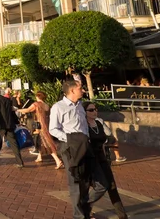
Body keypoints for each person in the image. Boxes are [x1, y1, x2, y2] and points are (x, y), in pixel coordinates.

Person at [49, 80, 107, 219]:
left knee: (99, 183)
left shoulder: (80, 105)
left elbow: (84, 126)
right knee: (76, 182)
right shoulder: (58, 107)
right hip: (70, 147)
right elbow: (53, 129)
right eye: (80, 88)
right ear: (72, 91)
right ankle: (80, 215)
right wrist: (70, 140)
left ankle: (84, 206)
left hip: (85, 146)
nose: (83, 90)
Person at [83, 102, 128, 219]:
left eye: (95, 109)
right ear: (84, 112)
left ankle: (122, 216)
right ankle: (84, 206)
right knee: (99, 186)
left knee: (112, 187)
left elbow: (110, 137)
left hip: (102, 158)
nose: (95, 111)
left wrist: (108, 142)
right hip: (90, 160)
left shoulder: (99, 122)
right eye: (91, 110)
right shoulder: (83, 125)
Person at [18, 91, 63, 169]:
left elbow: (28, 110)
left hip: (40, 126)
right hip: (47, 125)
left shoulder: (36, 104)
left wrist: (17, 110)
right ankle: (39, 156)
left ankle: (57, 160)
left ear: (37, 96)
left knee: (47, 143)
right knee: (40, 141)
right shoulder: (46, 105)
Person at [0, 86, 24, 168]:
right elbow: (12, 112)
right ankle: (20, 161)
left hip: (0, 125)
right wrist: (17, 122)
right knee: (13, 143)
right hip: (9, 124)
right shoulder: (7, 100)